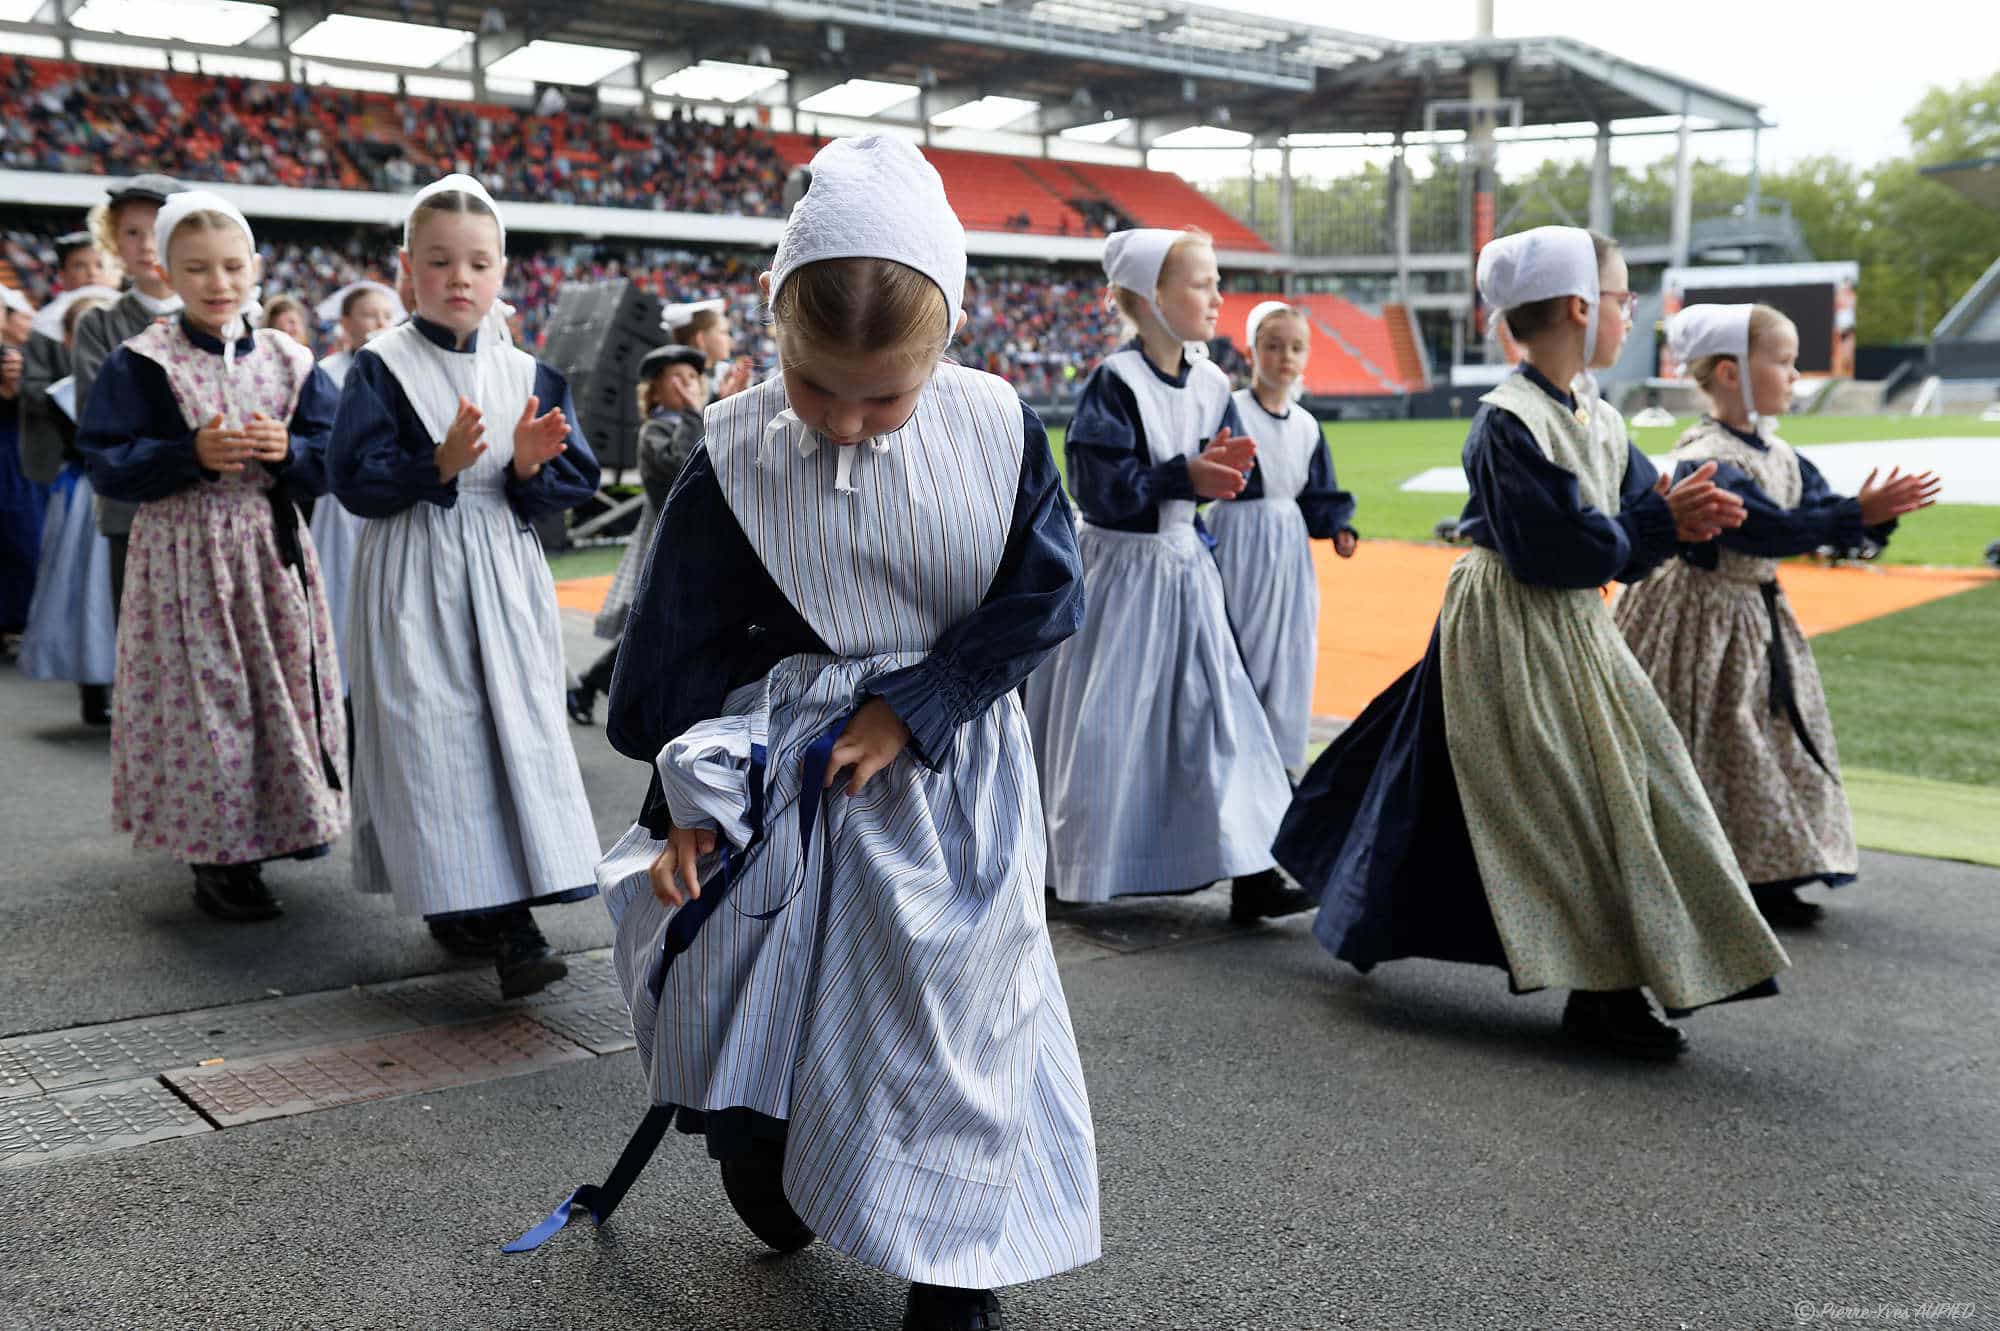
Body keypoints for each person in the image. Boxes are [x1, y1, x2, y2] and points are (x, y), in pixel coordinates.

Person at [521, 136, 1101, 1331]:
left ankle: (952, 1264)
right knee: (765, 981)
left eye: (881, 395)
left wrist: (920, 701)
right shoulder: (733, 452)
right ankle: (764, 1148)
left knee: (957, 1013)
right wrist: (677, 805)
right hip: (781, 776)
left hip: (949, 778)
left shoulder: (996, 426)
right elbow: (675, 650)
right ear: (773, 333)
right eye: (813, 384)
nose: (841, 422)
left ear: (943, 341)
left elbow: (1044, 594)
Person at [1274, 227, 1790, 1060]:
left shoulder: (1598, 414)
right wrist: (1660, 520)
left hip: (1575, 626)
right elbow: (1560, 549)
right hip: (1511, 624)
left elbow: (1633, 518)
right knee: (1559, 801)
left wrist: (1685, 516)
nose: (1631, 315)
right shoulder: (1506, 424)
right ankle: (1603, 989)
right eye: (1624, 299)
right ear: (1582, 307)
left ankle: (1608, 975)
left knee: (1610, 786)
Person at [326, 174, 600, 998]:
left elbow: (572, 476)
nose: (460, 278)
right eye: (440, 260)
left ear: (502, 271)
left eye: (478, 263)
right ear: (408, 267)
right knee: (435, 736)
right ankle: (488, 913)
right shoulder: (380, 368)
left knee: (508, 726)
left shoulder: (529, 371)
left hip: (502, 566)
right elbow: (352, 479)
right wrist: (434, 465)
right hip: (417, 566)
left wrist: (525, 466)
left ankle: (498, 908)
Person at [1613, 304, 1940, 928]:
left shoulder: (1783, 454)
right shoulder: (1705, 455)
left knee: (1772, 734)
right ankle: (1718, 869)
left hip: (1753, 619)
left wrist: (1868, 517)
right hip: (1697, 617)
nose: (1796, 375)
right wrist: (1855, 515)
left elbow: (1818, 516)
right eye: (1784, 362)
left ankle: (1773, 864)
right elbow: (1769, 530)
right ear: (1731, 372)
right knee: (1716, 736)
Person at [75, 190, 348, 922]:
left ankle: (278, 829)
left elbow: (330, 458)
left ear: (255, 267)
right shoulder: (142, 361)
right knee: (207, 699)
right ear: (166, 272)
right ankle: (218, 854)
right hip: (184, 558)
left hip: (268, 551)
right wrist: (186, 452)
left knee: (275, 691)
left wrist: (291, 449)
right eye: (197, 269)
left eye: (232, 266)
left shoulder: (292, 359)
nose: (218, 283)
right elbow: (105, 459)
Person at [1024, 227, 1301, 920]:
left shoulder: (1212, 380)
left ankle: (1251, 863)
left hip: (1184, 569)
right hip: (1124, 578)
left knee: (1223, 715)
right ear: (1153, 297)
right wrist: (1186, 474)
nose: (1217, 295)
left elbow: (1216, 466)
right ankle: (1072, 863)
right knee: (1108, 724)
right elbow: (1098, 487)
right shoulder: (1115, 383)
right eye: (1202, 282)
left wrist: (1210, 476)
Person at [1209, 299, 1357, 773]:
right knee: (1237, 644)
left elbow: (1319, 494)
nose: (1285, 357)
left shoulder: (1307, 427)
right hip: (1237, 542)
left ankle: (1279, 767)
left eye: (1296, 347)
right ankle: (1231, 760)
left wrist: (1338, 527)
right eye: (1273, 346)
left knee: (1290, 652)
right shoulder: (1229, 410)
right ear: (1253, 351)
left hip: (1289, 553)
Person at [567, 341, 707, 726]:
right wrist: (696, 413)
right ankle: (595, 684)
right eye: (677, 378)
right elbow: (683, 467)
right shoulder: (655, 430)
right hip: (670, 545)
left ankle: (597, 686)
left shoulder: (700, 418)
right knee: (653, 628)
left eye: (693, 377)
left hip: (701, 543)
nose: (688, 385)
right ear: (655, 390)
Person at [72, 174, 187, 619]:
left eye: (157, 229)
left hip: (220, 512)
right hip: (132, 510)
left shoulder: (231, 318)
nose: (145, 244)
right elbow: (100, 419)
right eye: (131, 232)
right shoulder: (98, 324)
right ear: (113, 240)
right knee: (145, 647)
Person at [17, 290, 118, 721]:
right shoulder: (61, 394)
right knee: (83, 593)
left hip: (111, 496)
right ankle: (93, 688)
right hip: (82, 499)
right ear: (68, 342)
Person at [306, 278, 405, 685]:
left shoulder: (402, 369)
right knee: (341, 587)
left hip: (392, 496)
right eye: (369, 314)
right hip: (340, 503)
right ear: (345, 322)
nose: (378, 323)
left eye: (386, 315)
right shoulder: (326, 374)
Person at [18, 230, 116, 496]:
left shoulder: (129, 318)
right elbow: (33, 387)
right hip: (68, 454)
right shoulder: (44, 327)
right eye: (80, 265)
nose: (92, 273)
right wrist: (69, 395)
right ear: (62, 274)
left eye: (101, 265)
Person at [0, 285, 44, 653]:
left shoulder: (19, 358)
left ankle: (15, 621)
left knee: (20, 538)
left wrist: (15, 387)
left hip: (12, 461)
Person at [665, 298, 752, 400]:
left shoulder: (721, 373)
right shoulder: (681, 381)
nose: (730, 341)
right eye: (723, 332)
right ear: (700, 339)